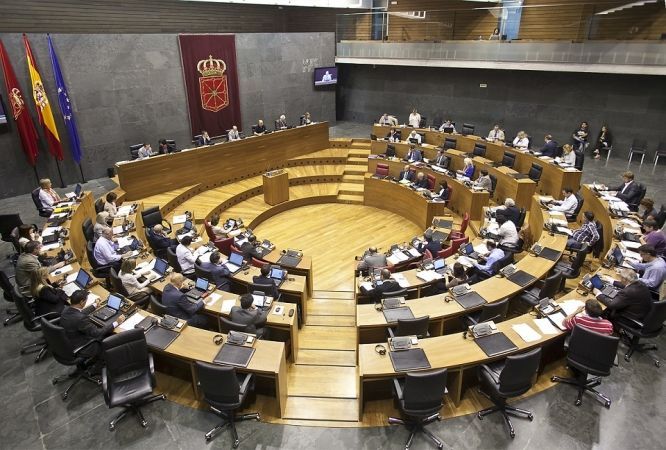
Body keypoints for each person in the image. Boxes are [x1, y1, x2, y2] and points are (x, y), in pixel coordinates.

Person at [60, 289, 125, 358]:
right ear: (81, 302)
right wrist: (116, 322)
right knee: (111, 335)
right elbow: (97, 333)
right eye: (86, 300)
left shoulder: (66, 309)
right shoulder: (80, 319)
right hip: (84, 346)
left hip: (70, 341)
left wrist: (95, 305)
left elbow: (79, 313)